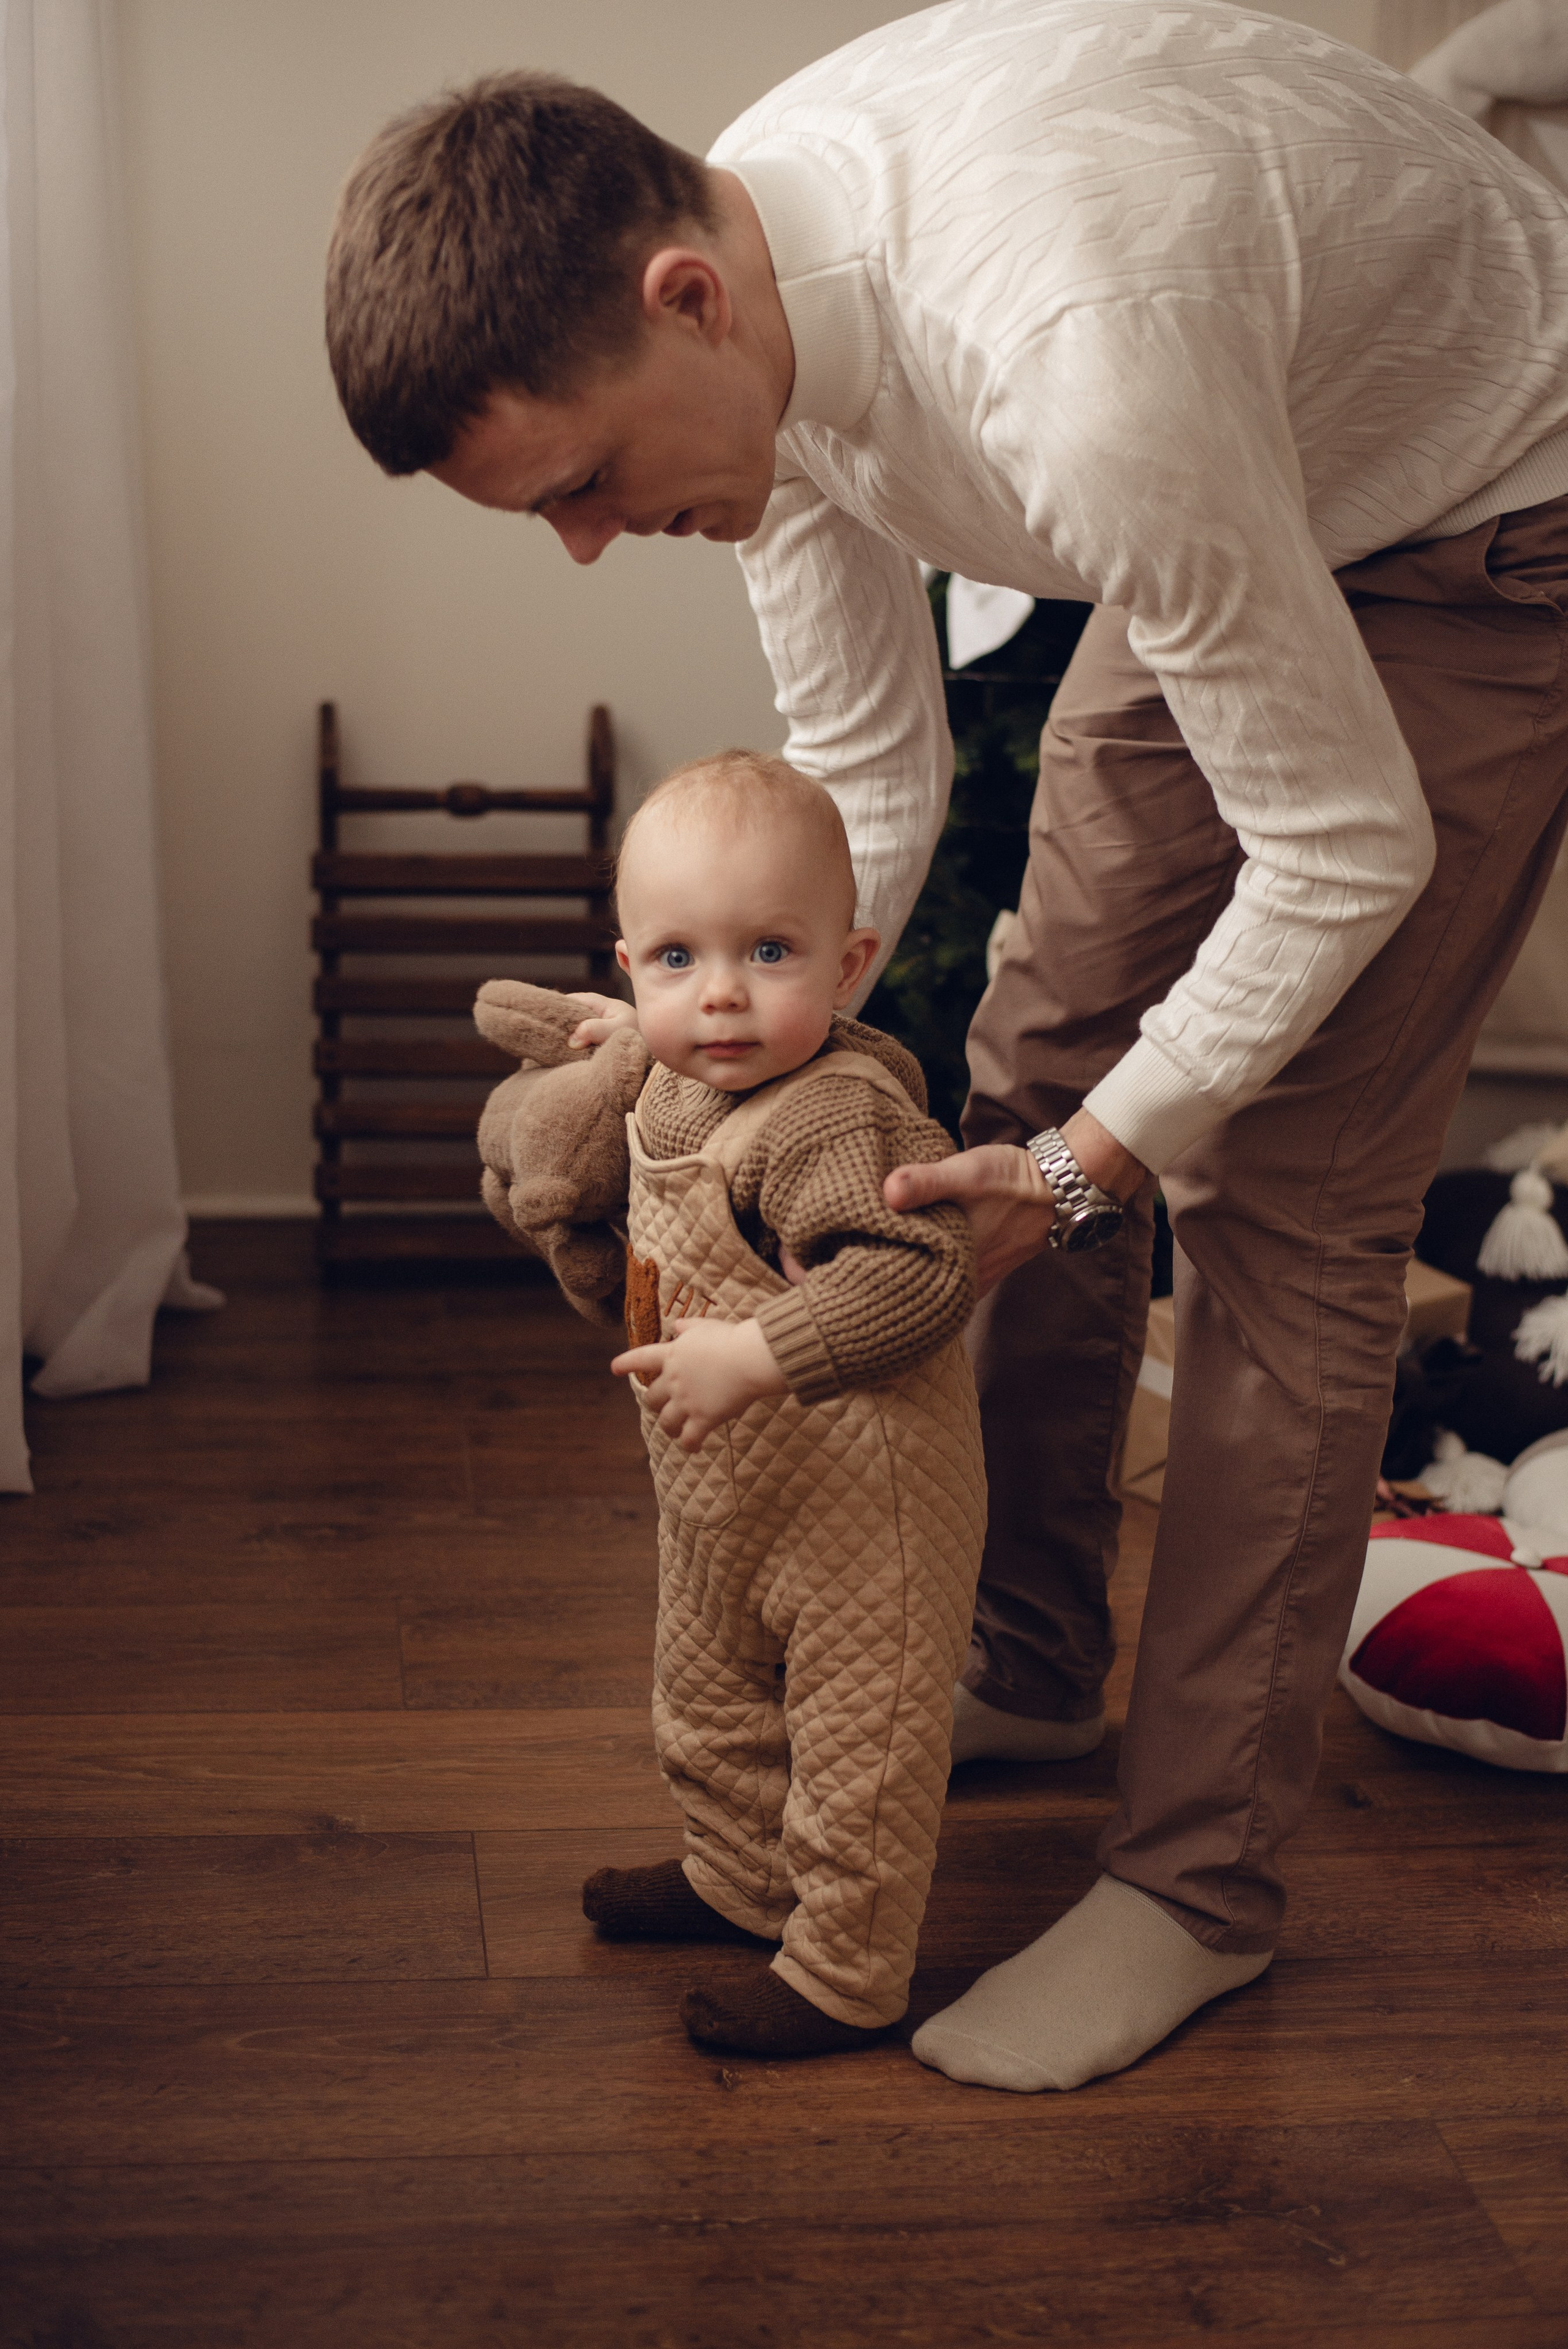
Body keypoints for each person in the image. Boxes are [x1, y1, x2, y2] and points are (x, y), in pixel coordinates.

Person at [323, 1, 1568, 2093]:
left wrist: (1104, 1169)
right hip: (1262, 466)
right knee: (1027, 1059)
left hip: (1486, 523)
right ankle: (1029, 1658)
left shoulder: (1080, 368)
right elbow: (863, 782)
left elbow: (1344, 838)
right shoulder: (750, 299)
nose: (592, 542)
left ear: (686, 298)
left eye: (591, 482)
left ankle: (1198, 1883)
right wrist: (698, 1035)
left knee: (1286, 1200)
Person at [573, 751, 984, 2058]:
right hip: (724, 1496)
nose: (725, 996)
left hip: (863, 1515)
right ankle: (736, 1879)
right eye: (678, 959)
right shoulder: (677, 1072)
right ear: (629, 964)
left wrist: (757, 1353)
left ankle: (844, 1970)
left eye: (768, 951)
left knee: (856, 1751)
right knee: (705, 1702)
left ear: (850, 963)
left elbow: (921, 1277)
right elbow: (660, 1072)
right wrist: (620, 1037)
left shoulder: (828, 1123)